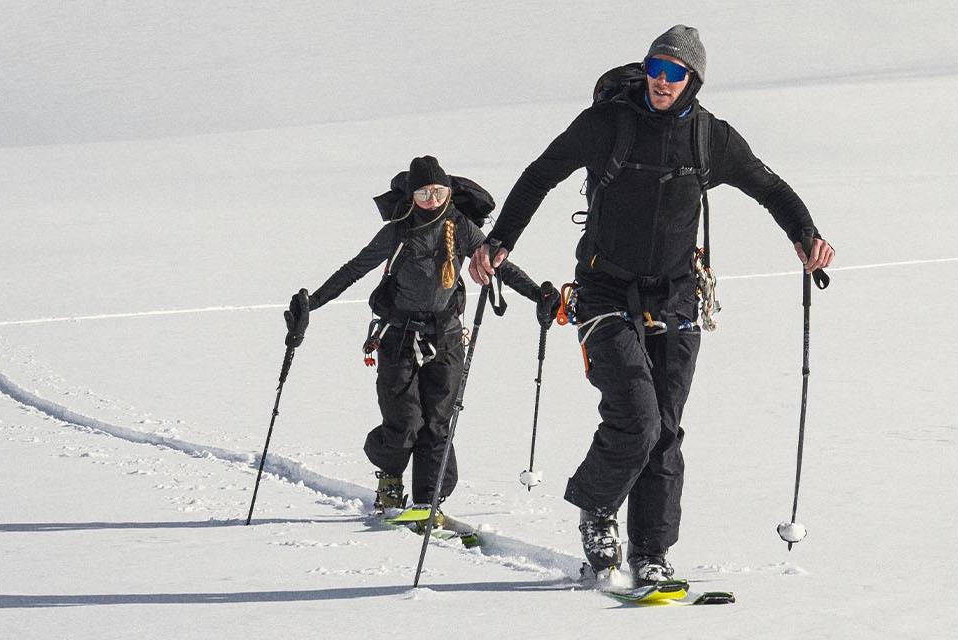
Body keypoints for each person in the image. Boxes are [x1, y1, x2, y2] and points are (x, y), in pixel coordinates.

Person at [468, 25, 836, 584]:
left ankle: (652, 553)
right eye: (654, 69)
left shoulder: (712, 138)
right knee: (637, 418)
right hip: (603, 289)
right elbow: (540, 175)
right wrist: (500, 242)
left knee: (665, 427)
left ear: (694, 79)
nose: (661, 82)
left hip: (679, 294)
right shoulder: (607, 125)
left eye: (674, 73)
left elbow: (769, 186)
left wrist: (804, 234)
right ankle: (598, 510)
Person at [290, 155, 546, 524]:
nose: (431, 199)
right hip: (399, 337)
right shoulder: (398, 231)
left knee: (439, 422)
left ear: (448, 191)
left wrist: (539, 294)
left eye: (438, 192)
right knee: (405, 421)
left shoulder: (460, 226)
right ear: (411, 195)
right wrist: (312, 303)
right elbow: (355, 268)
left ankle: (429, 503)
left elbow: (497, 262)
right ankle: (390, 479)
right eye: (423, 193)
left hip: (447, 337)